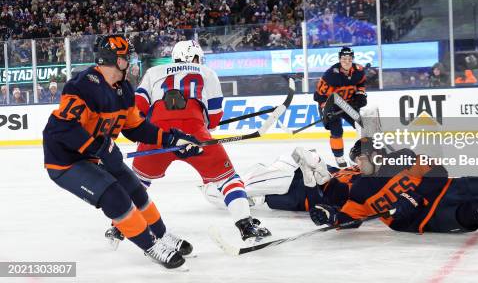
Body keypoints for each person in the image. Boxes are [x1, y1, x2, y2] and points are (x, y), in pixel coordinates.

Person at [42, 34, 202, 269]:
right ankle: (151, 245)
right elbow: (62, 129)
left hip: (95, 154)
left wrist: (172, 139)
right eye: (126, 57)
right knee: (114, 194)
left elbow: (135, 127)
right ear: (114, 60)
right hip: (65, 161)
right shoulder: (83, 85)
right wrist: (98, 147)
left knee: (135, 188)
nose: (130, 62)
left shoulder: (124, 89)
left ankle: (161, 235)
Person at [110, 39, 271, 244]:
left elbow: (138, 107)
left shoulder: (153, 72)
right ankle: (246, 226)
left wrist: (146, 129)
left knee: (138, 182)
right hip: (193, 132)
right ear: (192, 57)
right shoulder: (206, 72)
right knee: (228, 178)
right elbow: (214, 116)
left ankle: (118, 228)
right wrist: (202, 124)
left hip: (157, 133)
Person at [309, 138, 478, 238]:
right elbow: (349, 218)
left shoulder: (401, 157)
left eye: (360, 158)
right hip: (427, 219)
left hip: (449, 188)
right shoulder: (359, 189)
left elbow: (438, 171)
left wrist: (413, 196)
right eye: (356, 160)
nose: (357, 164)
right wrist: (332, 218)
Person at [202, 146, 360, 212]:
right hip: (297, 177)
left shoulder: (359, 188)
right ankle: (227, 189)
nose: (359, 160)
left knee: (261, 190)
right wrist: (314, 165)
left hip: (298, 196)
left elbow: (317, 205)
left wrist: (310, 182)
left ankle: (222, 192)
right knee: (270, 170)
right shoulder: (353, 171)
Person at [314, 47, 367, 167]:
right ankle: (339, 158)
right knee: (336, 130)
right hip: (332, 105)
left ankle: (363, 154)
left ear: (352, 59)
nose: (346, 61)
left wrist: (360, 95)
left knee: (363, 126)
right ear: (339, 59)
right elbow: (320, 95)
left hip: (349, 105)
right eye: (344, 58)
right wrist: (325, 109)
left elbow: (361, 84)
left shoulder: (359, 71)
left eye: (349, 59)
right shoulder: (330, 75)